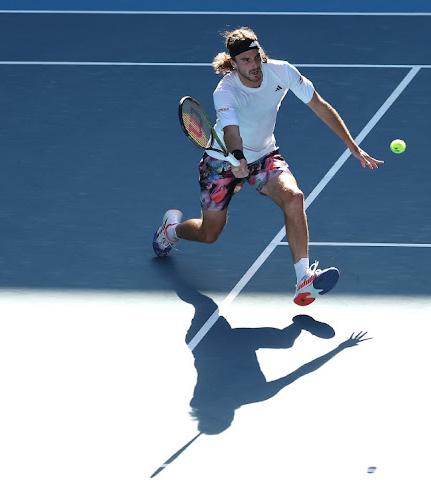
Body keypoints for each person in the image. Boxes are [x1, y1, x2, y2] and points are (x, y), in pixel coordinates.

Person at [153, 27, 382, 306]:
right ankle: (171, 232)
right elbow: (232, 132)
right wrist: (237, 158)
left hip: (264, 156)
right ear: (233, 63)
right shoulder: (225, 91)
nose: (254, 65)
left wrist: (352, 145)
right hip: (223, 160)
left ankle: (304, 281)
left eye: (256, 56)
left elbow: (319, 105)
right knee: (209, 233)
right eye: (245, 60)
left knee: (294, 197)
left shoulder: (281, 71)